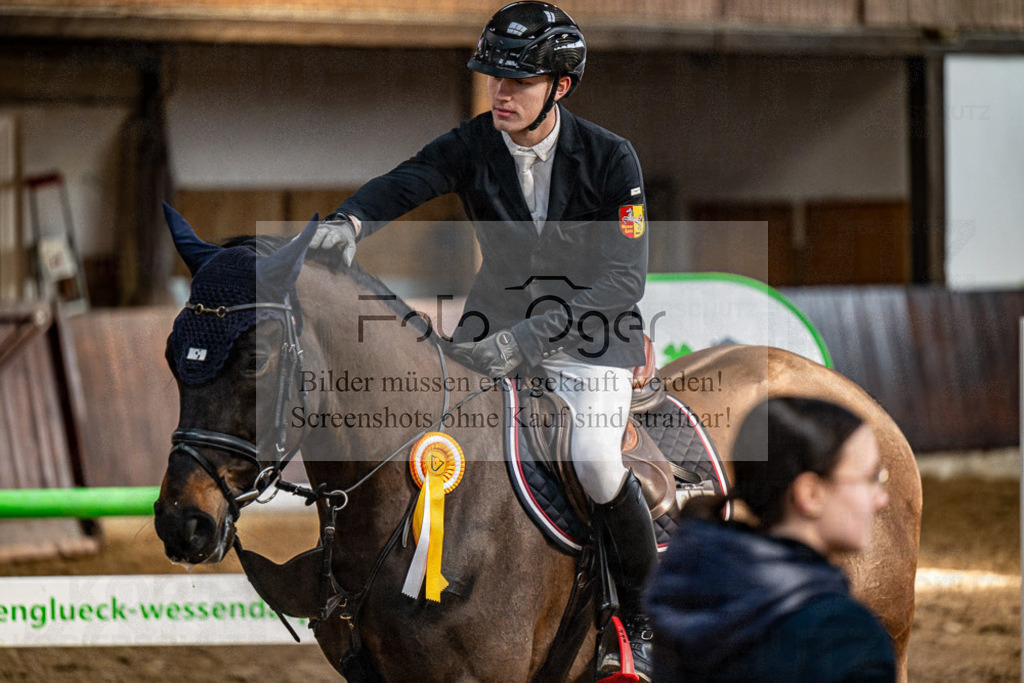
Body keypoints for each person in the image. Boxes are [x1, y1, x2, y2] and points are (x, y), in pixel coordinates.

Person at [309, 2, 655, 678]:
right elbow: (409, 178)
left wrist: (528, 339)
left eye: (519, 82)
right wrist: (350, 223)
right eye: (495, 78)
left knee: (594, 459)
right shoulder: (474, 143)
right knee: (427, 441)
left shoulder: (612, 158)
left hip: (591, 336)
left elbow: (624, 277)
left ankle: (636, 623)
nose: (501, 92)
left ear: (560, 86)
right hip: (492, 326)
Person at [644, 397, 896, 682]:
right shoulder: (847, 637)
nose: (882, 499)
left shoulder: (681, 598)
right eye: (871, 477)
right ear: (810, 494)